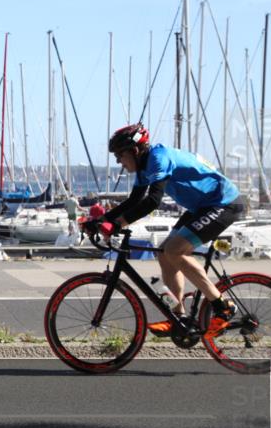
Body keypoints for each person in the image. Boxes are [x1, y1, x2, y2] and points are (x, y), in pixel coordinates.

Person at [83, 124, 245, 339]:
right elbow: (134, 200)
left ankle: (222, 305)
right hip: (202, 206)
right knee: (164, 254)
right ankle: (178, 317)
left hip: (223, 203)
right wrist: (101, 220)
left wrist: (118, 224)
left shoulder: (159, 159)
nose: (118, 162)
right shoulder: (144, 166)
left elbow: (152, 201)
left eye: (119, 156)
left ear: (134, 150)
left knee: (175, 250)